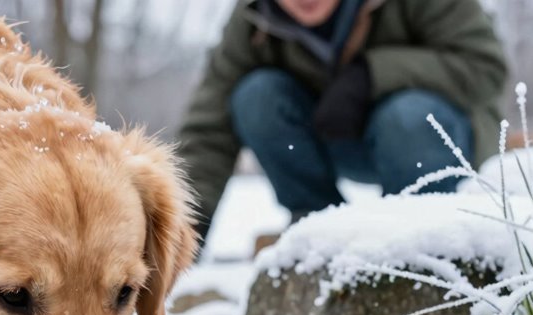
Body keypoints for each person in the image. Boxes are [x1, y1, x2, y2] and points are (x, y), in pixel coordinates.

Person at [179, 0, 508, 243]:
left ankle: (420, 239)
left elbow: (486, 65)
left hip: (430, 141)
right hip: (332, 138)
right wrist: (183, 228)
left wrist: (371, 74)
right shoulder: (254, 17)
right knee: (256, 96)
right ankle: (320, 228)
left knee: (408, 119)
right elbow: (210, 127)